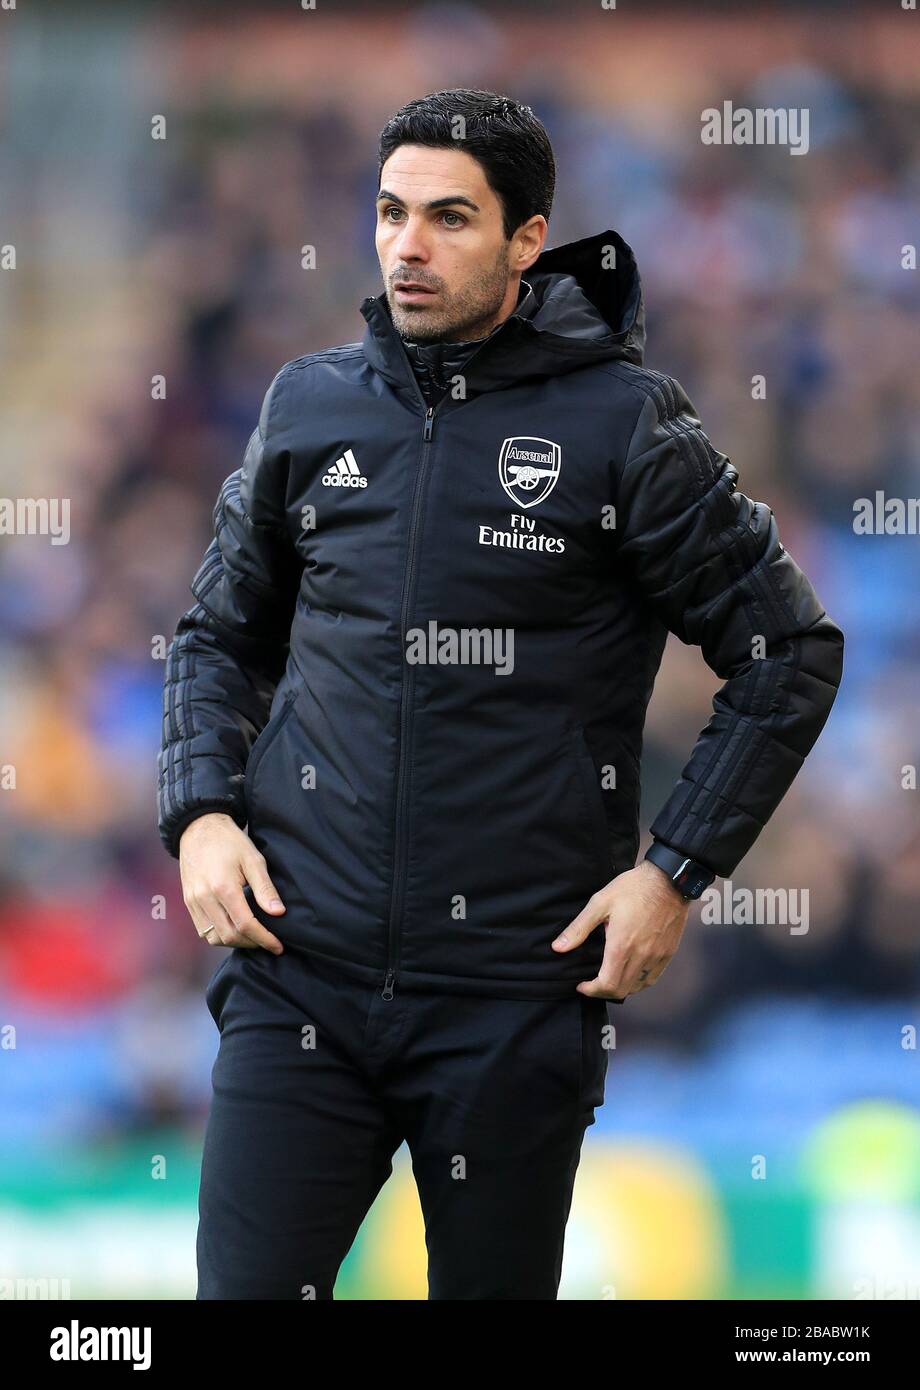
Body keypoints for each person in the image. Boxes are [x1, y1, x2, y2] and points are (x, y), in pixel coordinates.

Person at [156, 89, 844, 1300]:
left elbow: (786, 651)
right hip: (295, 972)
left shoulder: (624, 426)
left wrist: (674, 869)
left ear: (528, 238)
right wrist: (201, 814)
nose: (407, 246)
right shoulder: (308, 406)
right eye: (388, 213)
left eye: (449, 219)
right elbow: (217, 633)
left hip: (510, 1000)